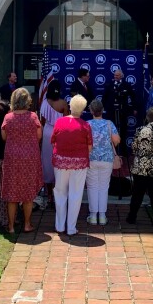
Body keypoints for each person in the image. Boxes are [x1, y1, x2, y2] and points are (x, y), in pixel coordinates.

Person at [1, 88, 44, 234]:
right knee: (28, 192)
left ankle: (11, 226)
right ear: (27, 101)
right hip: (30, 156)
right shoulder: (33, 117)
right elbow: (39, 136)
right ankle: (27, 224)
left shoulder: (8, 117)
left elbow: (4, 137)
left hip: (12, 156)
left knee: (12, 192)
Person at [51, 95, 93, 236]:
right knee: (76, 194)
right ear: (83, 109)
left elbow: (53, 141)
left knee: (60, 191)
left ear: (70, 106)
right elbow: (89, 147)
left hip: (61, 161)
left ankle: (60, 226)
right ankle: (70, 228)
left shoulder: (59, 122)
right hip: (79, 162)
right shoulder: (85, 125)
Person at [126, 106, 153, 229]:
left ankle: (131, 217)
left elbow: (134, 148)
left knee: (137, 194)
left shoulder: (140, 130)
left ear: (147, 118)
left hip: (140, 168)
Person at [85, 99, 120, 226]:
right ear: (102, 110)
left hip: (91, 159)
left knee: (92, 187)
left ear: (91, 111)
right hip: (107, 159)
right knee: (104, 187)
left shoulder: (87, 124)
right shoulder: (109, 124)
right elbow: (117, 140)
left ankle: (93, 216)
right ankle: (103, 216)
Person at [39, 83, 68, 194]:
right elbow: (66, 120)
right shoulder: (63, 103)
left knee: (47, 160)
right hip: (60, 132)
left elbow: (41, 120)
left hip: (47, 131)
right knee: (59, 159)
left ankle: (49, 193)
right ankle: (59, 190)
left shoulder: (44, 102)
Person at [101, 67, 136, 154]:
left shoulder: (126, 85)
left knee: (123, 130)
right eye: (114, 75)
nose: (115, 76)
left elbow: (133, 97)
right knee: (111, 129)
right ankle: (112, 150)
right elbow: (104, 97)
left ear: (121, 76)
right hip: (111, 112)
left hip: (122, 111)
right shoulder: (109, 84)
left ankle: (123, 151)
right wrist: (103, 108)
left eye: (117, 75)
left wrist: (134, 108)